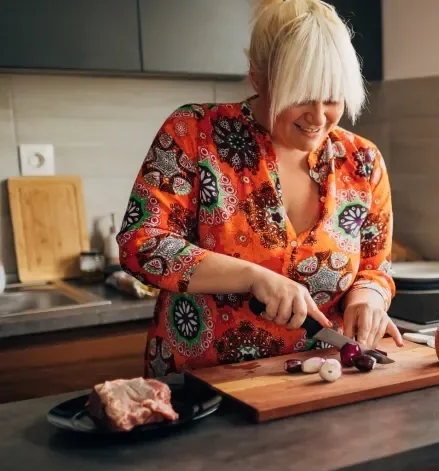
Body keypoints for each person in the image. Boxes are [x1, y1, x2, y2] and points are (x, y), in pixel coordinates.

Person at [117, 0, 402, 377]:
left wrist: (368, 297)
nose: (318, 118)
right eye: (300, 97)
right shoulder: (194, 132)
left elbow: (374, 266)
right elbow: (141, 242)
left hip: (319, 380)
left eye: (332, 98)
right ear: (257, 76)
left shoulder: (362, 160)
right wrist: (254, 278)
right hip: (203, 386)